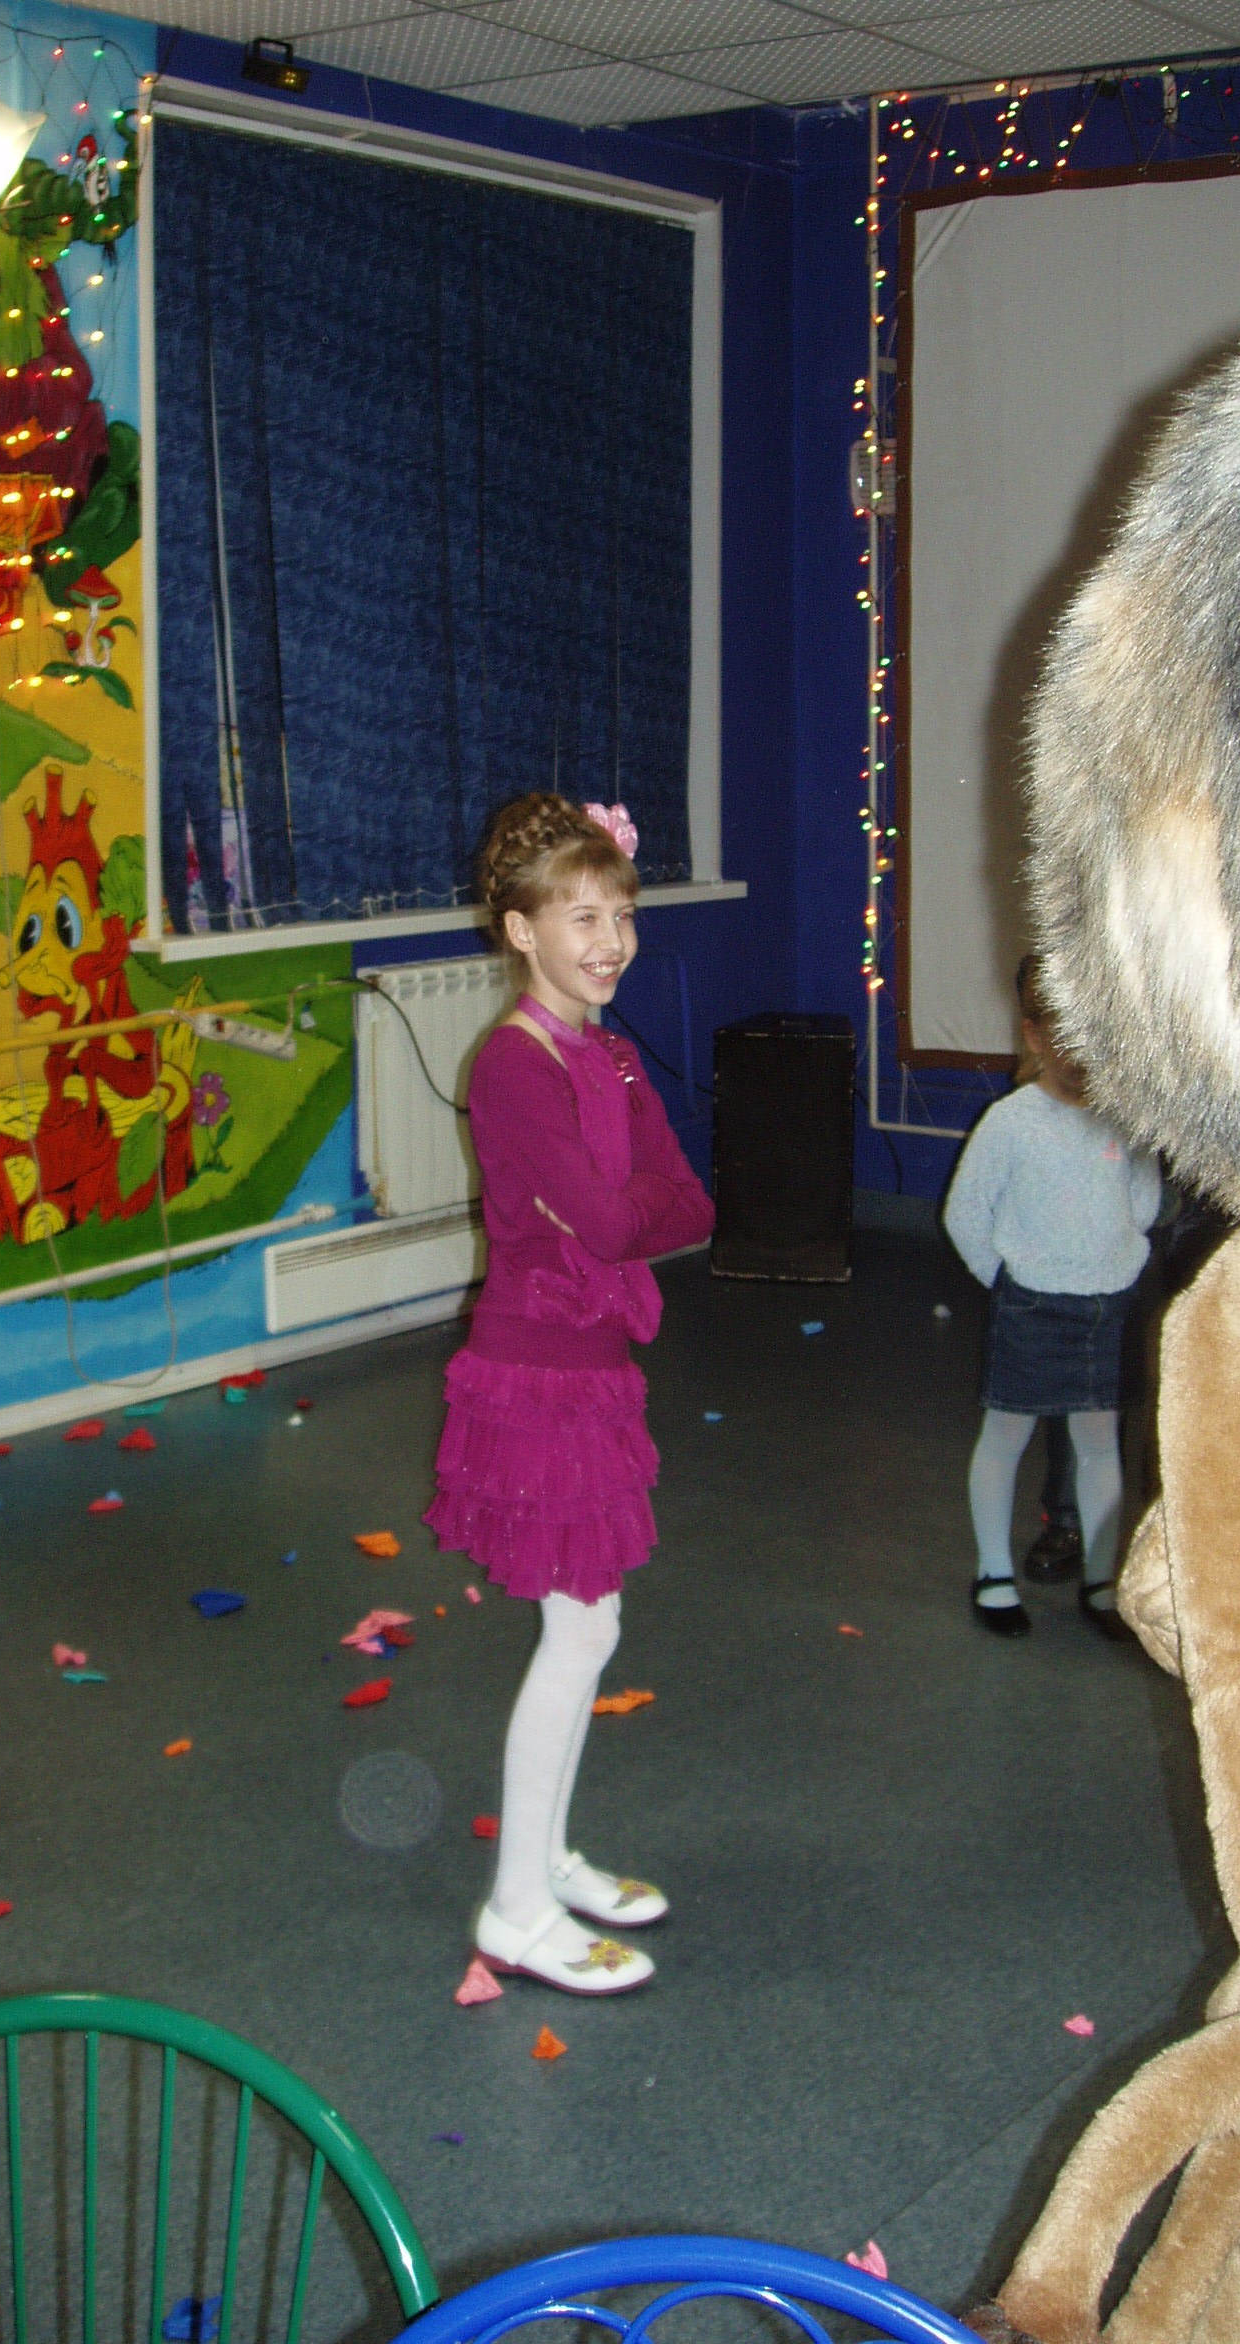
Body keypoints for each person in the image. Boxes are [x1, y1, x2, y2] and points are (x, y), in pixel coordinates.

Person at [425, 794, 713, 1995]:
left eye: (622, 915)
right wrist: (625, 1211)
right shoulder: (513, 1065)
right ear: (520, 930)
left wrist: (626, 1211)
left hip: (592, 1365)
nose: (611, 941)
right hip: (536, 1372)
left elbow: (692, 1200)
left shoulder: (611, 1052)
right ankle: (515, 1907)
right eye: (581, 917)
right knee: (581, 1629)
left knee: (588, 1627)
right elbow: (611, 1217)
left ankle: (545, 1859)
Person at [943, 956, 1158, 1640]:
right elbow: (964, 1214)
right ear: (1034, 1036)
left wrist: (1113, 1258)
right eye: (1061, 1035)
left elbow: (1143, 1203)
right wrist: (1007, 1283)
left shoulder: (1125, 1119)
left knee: (1098, 1442)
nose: (1078, 1052)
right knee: (1006, 1436)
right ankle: (994, 1573)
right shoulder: (1011, 1123)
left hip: (1105, 1308)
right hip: (1032, 1307)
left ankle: (1099, 1575)